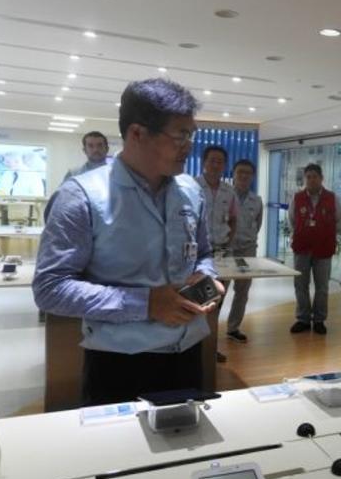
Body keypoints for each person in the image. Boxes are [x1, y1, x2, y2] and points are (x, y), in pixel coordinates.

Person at [32, 78, 224, 406]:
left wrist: (206, 276)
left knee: (187, 439)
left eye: (191, 134)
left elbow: (203, 252)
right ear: (137, 133)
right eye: (180, 135)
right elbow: (50, 288)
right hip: (119, 362)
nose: (189, 146)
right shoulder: (81, 196)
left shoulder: (191, 191)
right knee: (119, 442)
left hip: (189, 351)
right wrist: (146, 304)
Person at [289, 163, 341, 335]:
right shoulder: (297, 198)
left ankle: (319, 320)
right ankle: (303, 319)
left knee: (322, 287)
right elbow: (292, 220)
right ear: (305, 179)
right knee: (300, 285)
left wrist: (331, 237)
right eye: (308, 177)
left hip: (324, 248)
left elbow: (339, 222)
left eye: (315, 177)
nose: (311, 180)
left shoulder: (332, 198)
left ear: (321, 178)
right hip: (301, 248)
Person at [196, 145, 238, 360]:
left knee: (217, 301)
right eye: (212, 160)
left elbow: (234, 219)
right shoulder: (193, 186)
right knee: (198, 301)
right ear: (204, 162)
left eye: (220, 161)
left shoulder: (229, 191)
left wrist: (227, 243)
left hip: (221, 251)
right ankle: (195, 348)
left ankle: (211, 348)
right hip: (198, 254)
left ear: (225, 165)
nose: (215, 164)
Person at [223, 159, 263, 342]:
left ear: (252, 176)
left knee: (242, 290)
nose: (244, 176)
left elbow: (257, 225)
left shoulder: (257, 200)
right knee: (219, 289)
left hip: (247, 250)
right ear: (233, 174)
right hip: (226, 248)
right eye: (240, 172)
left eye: (248, 173)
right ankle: (210, 328)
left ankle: (233, 328)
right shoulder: (224, 196)